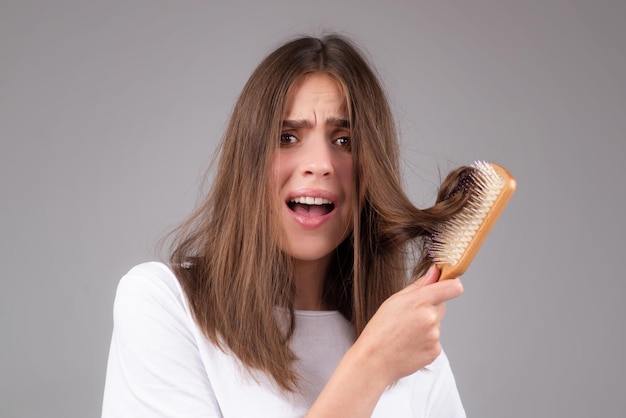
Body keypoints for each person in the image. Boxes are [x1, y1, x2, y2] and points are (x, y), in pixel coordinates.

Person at [102, 34, 467, 417]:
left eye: (344, 140)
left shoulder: (412, 352)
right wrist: (370, 366)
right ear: (247, 163)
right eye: (287, 137)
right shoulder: (163, 304)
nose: (320, 163)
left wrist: (385, 350)